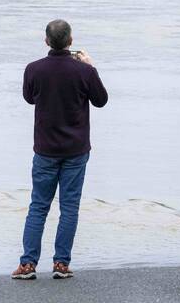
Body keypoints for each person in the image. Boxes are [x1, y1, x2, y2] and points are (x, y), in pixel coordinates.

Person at [13, 19, 109, 281]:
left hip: (45, 148)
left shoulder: (34, 69)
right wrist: (90, 67)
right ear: (71, 41)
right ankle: (61, 263)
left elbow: (29, 98)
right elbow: (101, 100)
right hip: (76, 149)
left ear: (46, 41)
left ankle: (28, 264)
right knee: (69, 207)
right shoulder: (84, 71)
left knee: (38, 206)